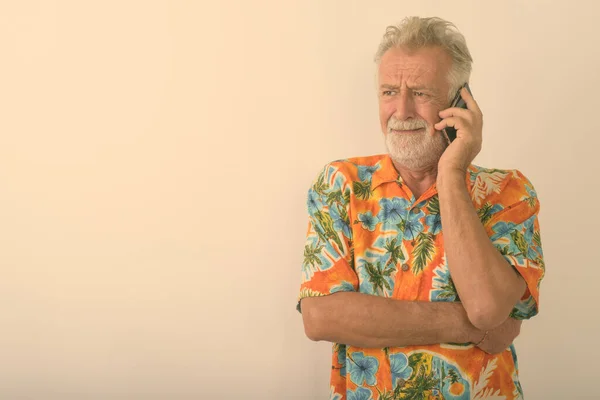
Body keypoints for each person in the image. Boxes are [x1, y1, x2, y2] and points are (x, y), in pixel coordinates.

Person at [296, 17, 545, 400]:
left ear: (460, 102)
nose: (401, 110)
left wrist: (451, 172)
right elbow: (321, 317)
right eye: (389, 92)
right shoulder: (341, 184)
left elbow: (486, 308)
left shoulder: (509, 193)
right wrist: (464, 326)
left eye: (421, 93)